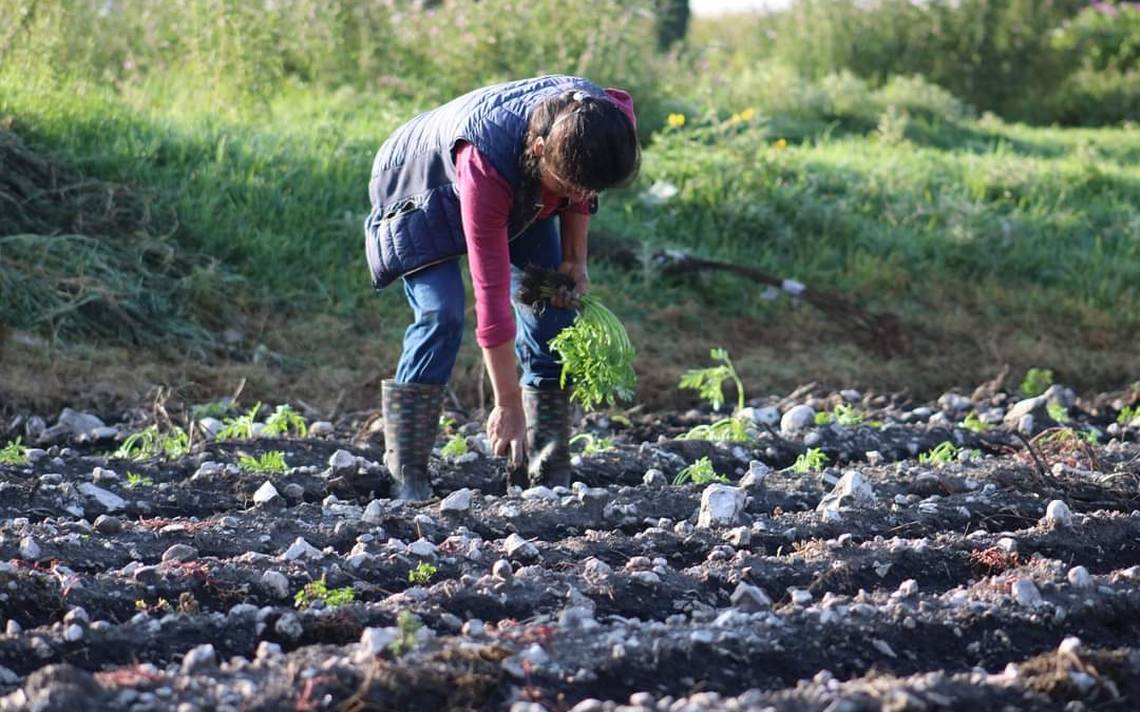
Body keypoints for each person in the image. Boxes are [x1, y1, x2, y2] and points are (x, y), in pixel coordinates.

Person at [365, 75, 640, 501]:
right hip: (420, 184)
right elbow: (491, 300)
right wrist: (507, 404)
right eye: (570, 185)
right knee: (443, 313)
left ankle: (545, 467)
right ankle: (407, 470)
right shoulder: (485, 166)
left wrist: (576, 261)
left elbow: (583, 191)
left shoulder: (602, 121)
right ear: (539, 153)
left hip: (526, 183)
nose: (582, 195)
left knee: (552, 308)